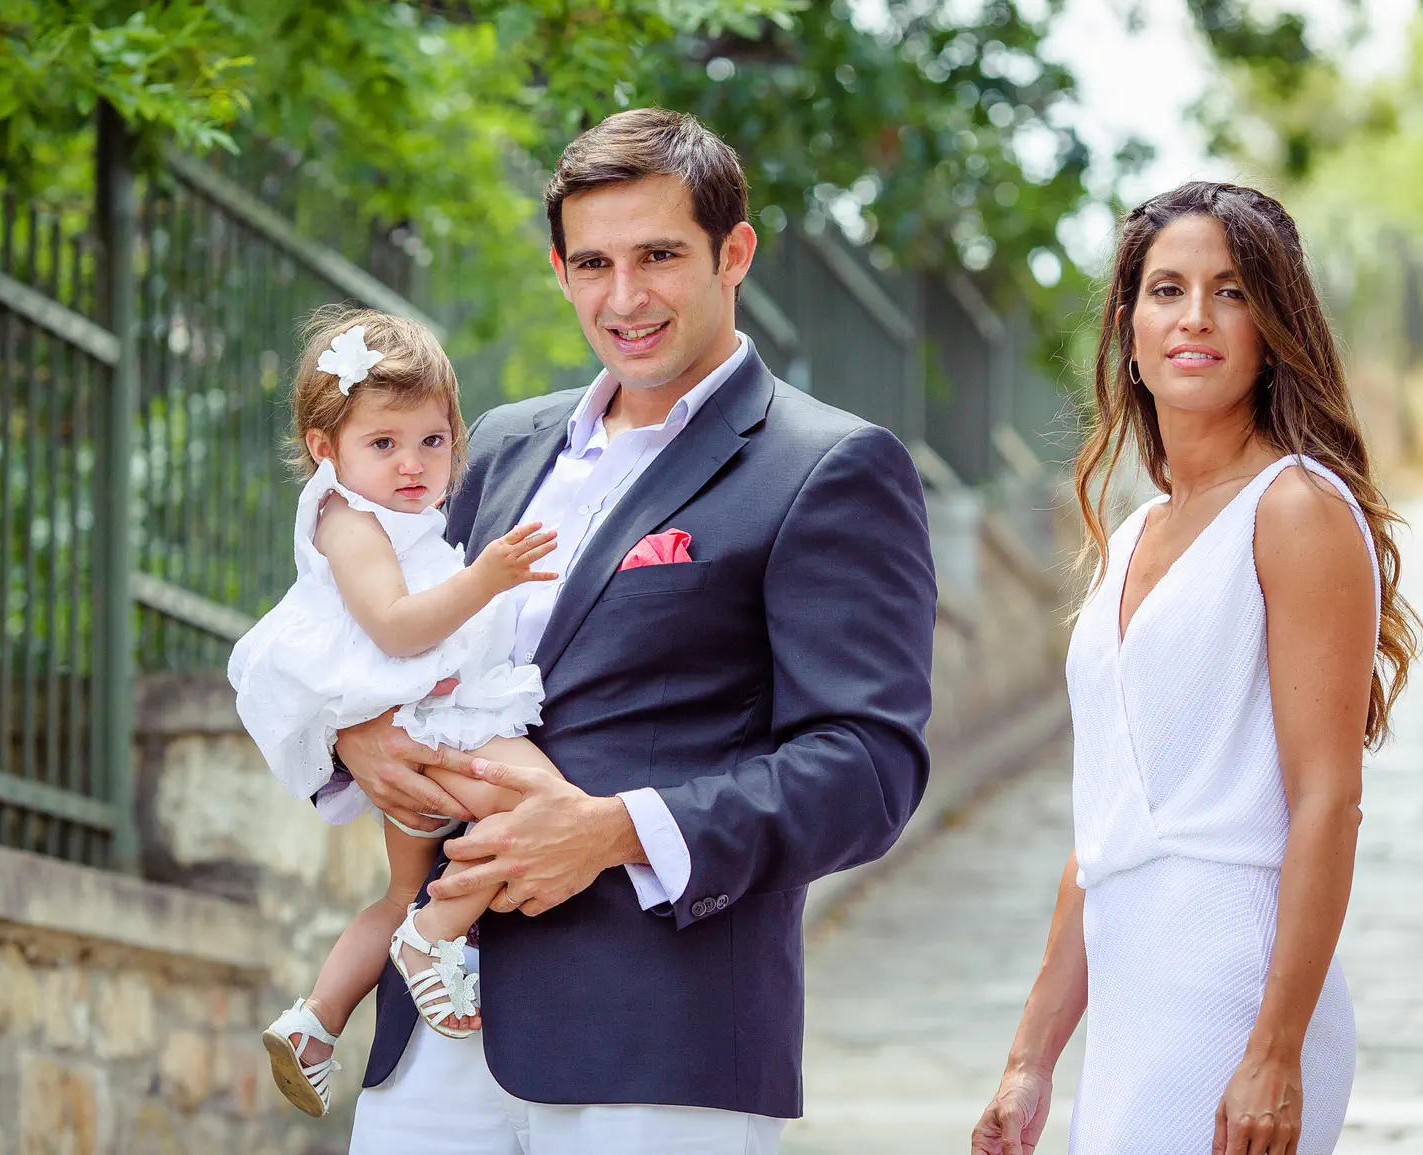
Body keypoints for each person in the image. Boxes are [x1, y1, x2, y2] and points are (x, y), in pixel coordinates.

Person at [332, 108, 938, 1153]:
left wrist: (615, 830)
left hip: (660, 1041)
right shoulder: (498, 447)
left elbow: (866, 770)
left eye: (658, 256)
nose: (624, 297)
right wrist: (355, 737)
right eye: (593, 264)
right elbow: (381, 640)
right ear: (560, 271)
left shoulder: (827, 466)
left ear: (733, 253)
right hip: (433, 1032)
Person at [972, 182, 1422, 1155]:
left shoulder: (1296, 507)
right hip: (1132, 1000)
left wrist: (1276, 1046)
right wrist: (1030, 1056)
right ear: (1129, 331)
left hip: (1236, 988)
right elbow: (1104, 831)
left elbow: (1327, 799)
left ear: (1273, 330)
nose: (1195, 317)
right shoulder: (1135, 534)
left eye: (1231, 292)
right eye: (1167, 290)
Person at [226, 306, 568, 1118]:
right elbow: (395, 627)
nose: (413, 463)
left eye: (433, 440)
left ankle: (315, 1023)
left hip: (418, 721)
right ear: (325, 449)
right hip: (427, 721)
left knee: (399, 890)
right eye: (383, 443)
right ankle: (438, 933)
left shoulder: (399, 516)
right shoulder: (348, 520)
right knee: (543, 804)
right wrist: (486, 578)